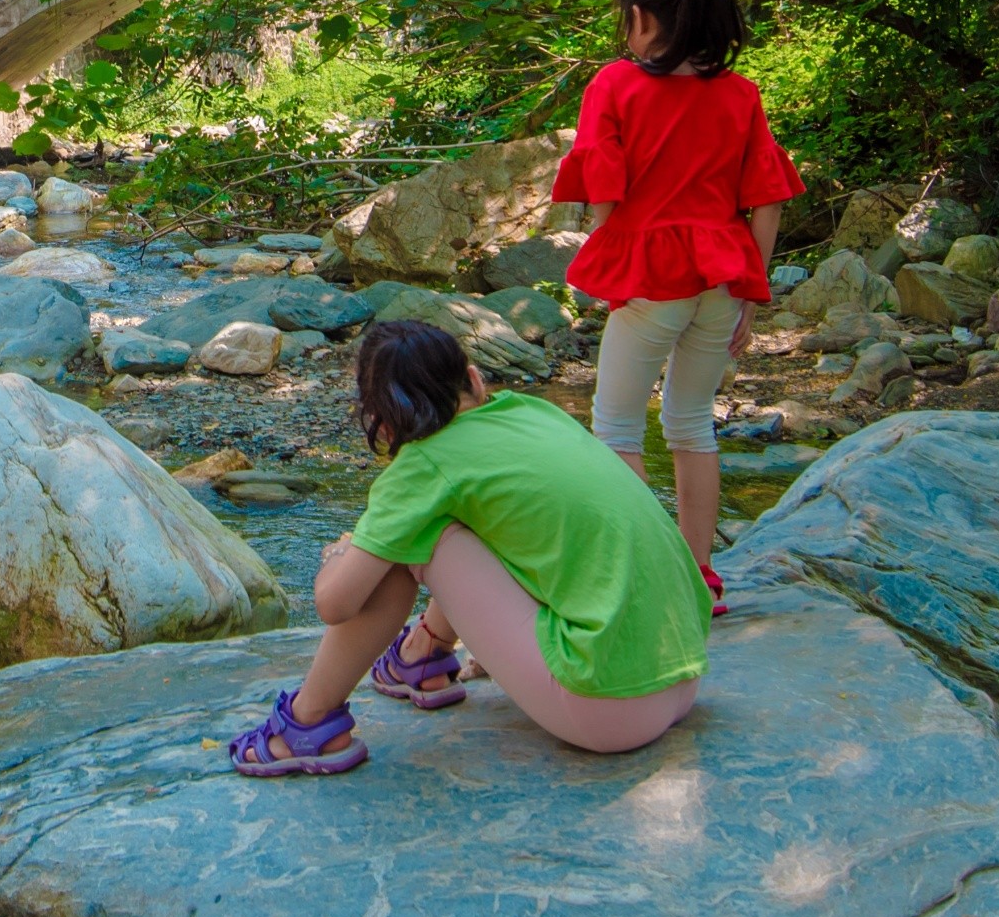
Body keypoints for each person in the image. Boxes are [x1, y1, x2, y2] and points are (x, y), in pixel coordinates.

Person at [226, 319, 711, 775]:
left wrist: (339, 553)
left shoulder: (422, 465)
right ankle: (423, 656)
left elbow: (335, 604)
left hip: (608, 709)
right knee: (473, 521)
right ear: (475, 381)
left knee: (413, 540)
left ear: (383, 423)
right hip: (683, 672)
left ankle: (308, 724)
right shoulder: (530, 411)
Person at [555, 0, 804, 560]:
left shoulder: (614, 85)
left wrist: (604, 253)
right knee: (692, 424)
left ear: (640, 18)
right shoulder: (740, 95)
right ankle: (700, 575)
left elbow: (605, 196)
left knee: (614, 431)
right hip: (720, 278)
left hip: (651, 278)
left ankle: (655, 574)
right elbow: (767, 202)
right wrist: (752, 291)